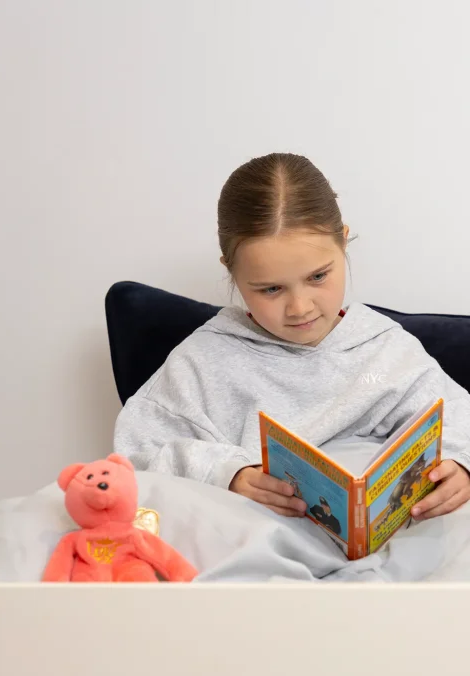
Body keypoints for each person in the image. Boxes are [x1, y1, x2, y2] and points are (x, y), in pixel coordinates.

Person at [113, 152, 470, 521]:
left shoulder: (385, 351)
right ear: (231, 272)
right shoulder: (202, 362)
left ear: (343, 243)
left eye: (318, 277)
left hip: (393, 542)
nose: (299, 308)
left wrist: (460, 466)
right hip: (260, 537)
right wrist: (227, 474)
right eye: (270, 289)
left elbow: (459, 421)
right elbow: (134, 457)